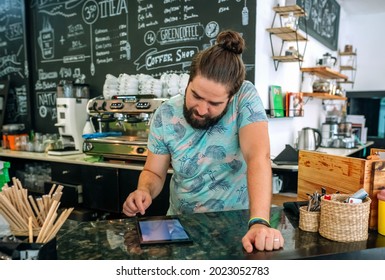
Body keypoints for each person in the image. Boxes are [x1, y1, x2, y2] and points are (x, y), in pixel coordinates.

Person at [123, 30, 284, 252]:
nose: (201, 109)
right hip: (180, 227)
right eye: (196, 96)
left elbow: (258, 157)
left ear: (231, 97)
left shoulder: (244, 98)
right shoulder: (165, 114)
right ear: (188, 81)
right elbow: (154, 173)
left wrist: (259, 221)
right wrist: (144, 191)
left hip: (239, 227)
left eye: (214, 103)